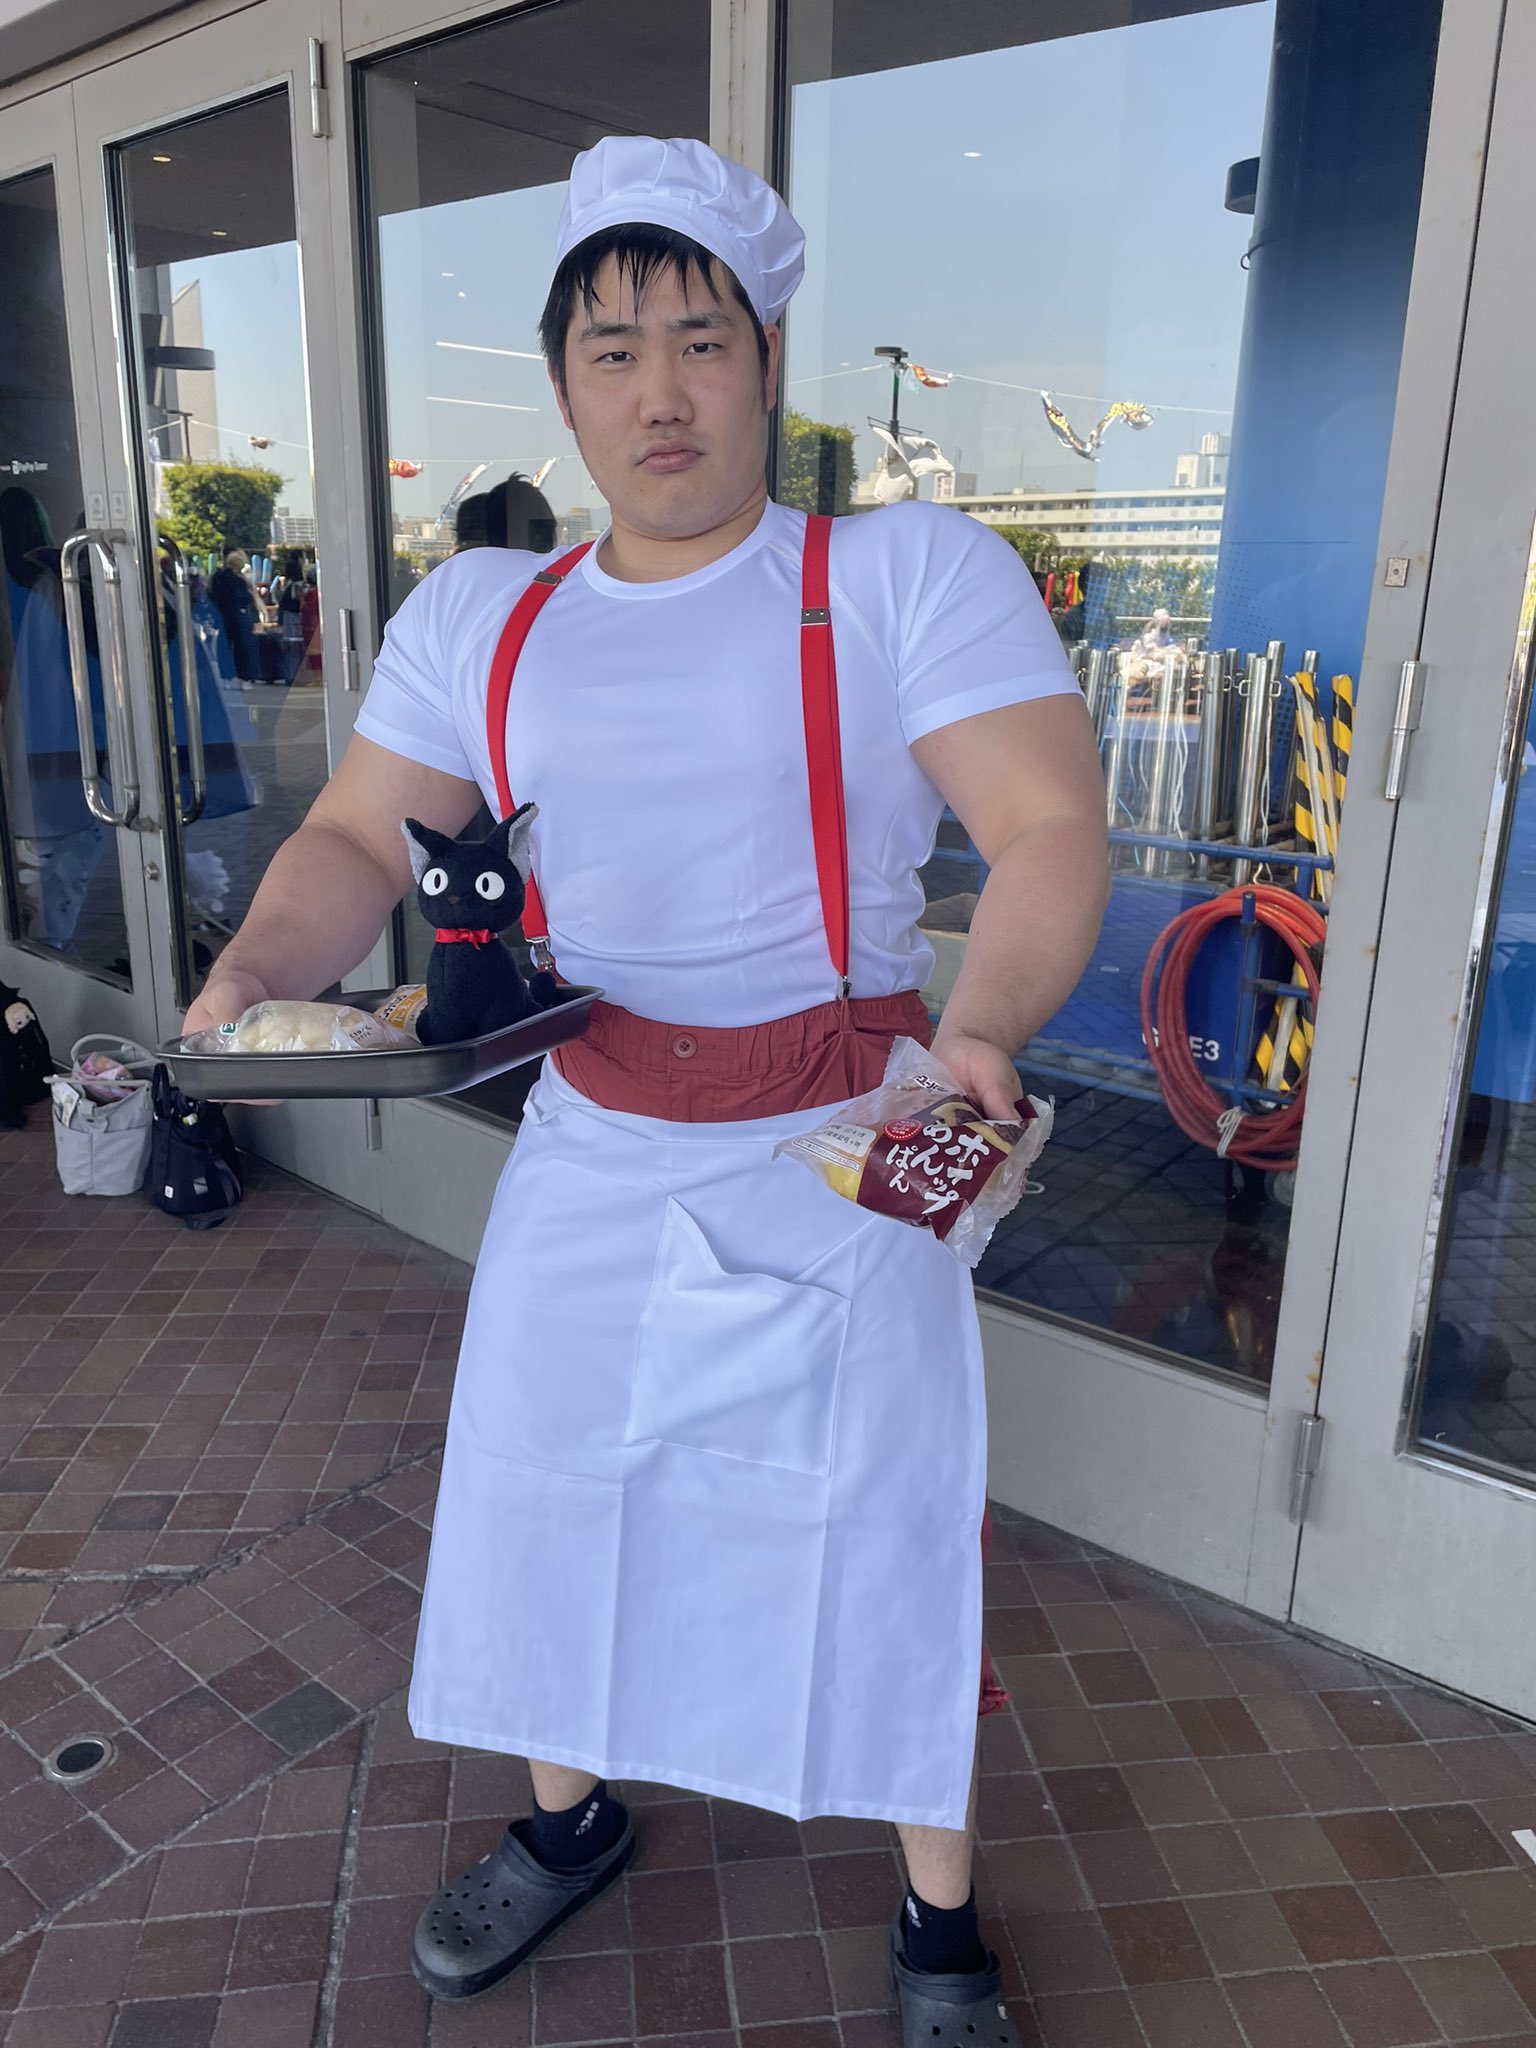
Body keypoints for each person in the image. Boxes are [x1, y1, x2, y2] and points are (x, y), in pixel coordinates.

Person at [180, 136, 1109, 2044]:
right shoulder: (484, 615)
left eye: (700, 340)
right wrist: (255, 975)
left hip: (845, 1140)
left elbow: (1046, 826)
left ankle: (938, 1918)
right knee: (547, 1496)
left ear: (765, 362)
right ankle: (569, 1815)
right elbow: (355, 834)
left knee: (879, 1528)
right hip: (591, 1135)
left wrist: (986, 1027)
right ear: (563, 384)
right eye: (612, 351)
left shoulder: (894, 576)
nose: (659, 391)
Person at [207, 546, 260, 683]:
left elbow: (211, 595)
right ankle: (244, 677)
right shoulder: (240, 580)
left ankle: (226, 677)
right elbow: (246, 598)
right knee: (242, 647)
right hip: (239, 615)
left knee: (224, 646)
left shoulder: (217, 576)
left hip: (222, 614)